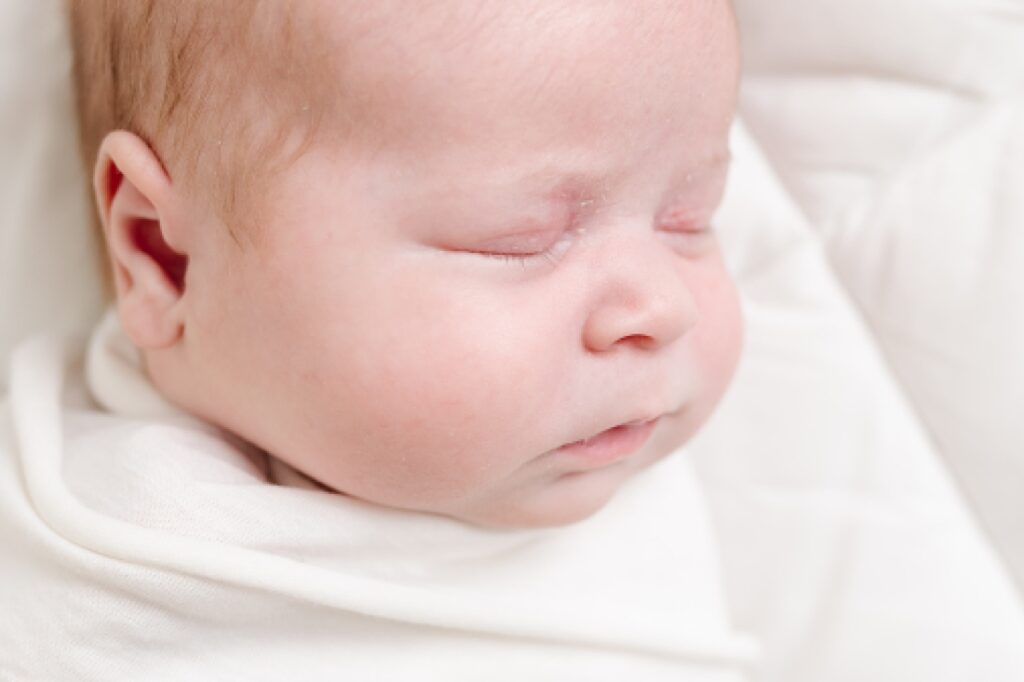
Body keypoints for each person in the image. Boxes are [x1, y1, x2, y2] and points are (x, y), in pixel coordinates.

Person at [1, 1, 757, 679]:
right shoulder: (86, 575)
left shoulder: (624, 481)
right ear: (166, 259)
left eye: (691, 218)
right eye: (517, 240)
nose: (661, 306)